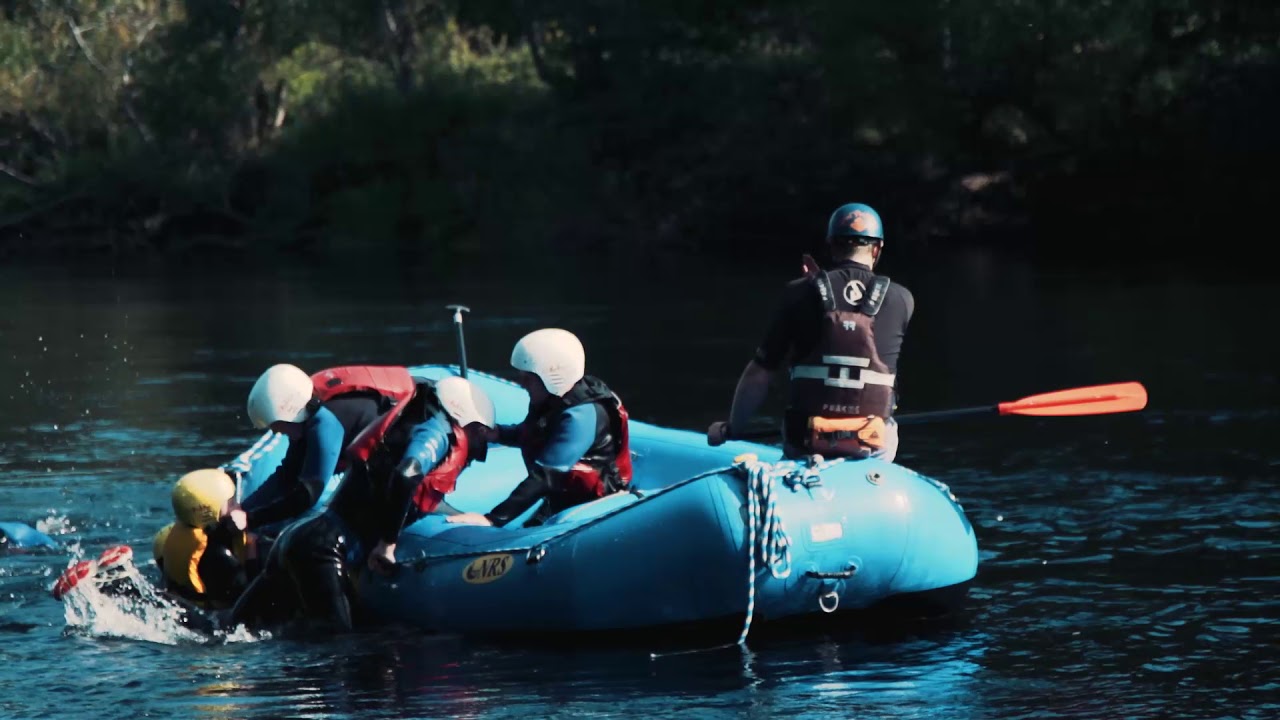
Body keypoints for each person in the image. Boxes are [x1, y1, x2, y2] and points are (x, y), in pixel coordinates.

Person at [229, 376, 496, 633]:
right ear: (463, 420)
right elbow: (406, 476)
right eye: (479, 432)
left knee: (231, 630)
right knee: (338, 648)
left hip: (301, 540)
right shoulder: (435, 434)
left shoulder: (408, 425)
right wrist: (387, 544)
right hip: (321, 550)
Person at [707, 202, 914, 461]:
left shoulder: (798, 292)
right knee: (888, 428)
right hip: (872, 443)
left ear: (831, 243)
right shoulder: (902, 299)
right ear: (877, 248)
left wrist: (732, 429)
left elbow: (760, 372)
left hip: (807, 442)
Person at [448, 328, 632, 528]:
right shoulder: (551, 399)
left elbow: (547, 475)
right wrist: (498, 434)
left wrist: (493, 519)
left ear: (553, 377)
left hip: (593, 504)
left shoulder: (581, 416)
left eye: (528, 378)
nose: (522, 384)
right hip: (562, 497)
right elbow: (533, 434)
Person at [227, 363, 424, 533]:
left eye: (277, 425)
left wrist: (253, 519)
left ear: (291, 414)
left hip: (401, 459)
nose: (278, 433)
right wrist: (243, 508)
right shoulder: (306, 417)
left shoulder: (325, 423)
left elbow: (309, 494)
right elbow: (287, 475)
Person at [157, 468, 260, 610]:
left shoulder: (176, 533)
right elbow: (248, 598)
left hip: (181, 598)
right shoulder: (219, 556)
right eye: (230, 503)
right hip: (215, 619)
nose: (237, 506)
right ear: (209, 512)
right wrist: (251, 550)